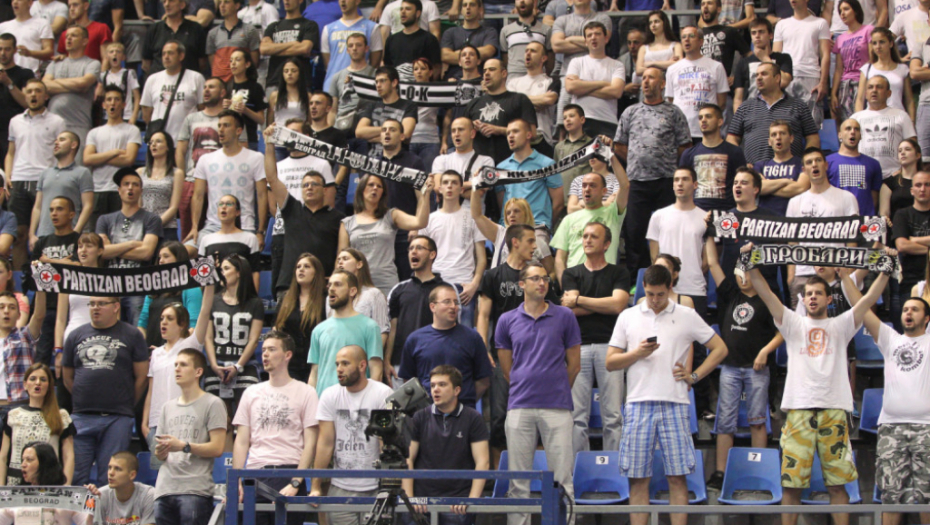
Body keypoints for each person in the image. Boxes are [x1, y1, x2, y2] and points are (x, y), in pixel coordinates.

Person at [745, 254, 889, 525]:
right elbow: (765, 293)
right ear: (803, 299)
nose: (812, 297)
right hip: (798, 412)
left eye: (818, 293)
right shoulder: (792, 323)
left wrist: (885, 272)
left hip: (833, 412)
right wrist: (750, 264)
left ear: (829, 299)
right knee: (791, 486)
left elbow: (869, 299)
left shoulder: (841, 324)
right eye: (808, 294)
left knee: (837, 485)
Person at [606, 264, 728, 525]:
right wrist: (636, 354)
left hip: (675, 403)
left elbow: (720, 348)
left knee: (677, 477)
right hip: (637, 403)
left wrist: (694, 376)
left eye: (660, 294)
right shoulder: (628, 316)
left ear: (670, 288)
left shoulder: (687, 314)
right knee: (638, 478)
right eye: (650, 294)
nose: (654, 300)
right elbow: (610, 362)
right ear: (643, 288)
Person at [496, 262, 580, 525]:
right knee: (518, 481)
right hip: (520, 405)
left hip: (557, 406)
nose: (542, 283)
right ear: (522, 284)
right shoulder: (506, 320)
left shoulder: (565, 316)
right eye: (535, 278)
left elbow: (574, 365)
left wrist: (555, 387)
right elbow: (507, 369)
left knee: (562, 479)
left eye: (545, 278)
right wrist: (527, 385)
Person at [703, 240, 781, 490]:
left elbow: (783, 331)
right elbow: (713, 263)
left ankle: (759, 471)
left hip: (756, 369)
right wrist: (710, 235)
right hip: (730, 367)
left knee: (757, 420)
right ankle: (720, 472)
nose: (743, 278)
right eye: (739, 273)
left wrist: (765, 352)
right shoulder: (730, 294)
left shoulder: (768, 299)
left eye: (747, 272)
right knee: (725, 422)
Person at [476, 223, 557, 462]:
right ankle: (499, 477)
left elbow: (553, 312)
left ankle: (538, 476)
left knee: (539, 419)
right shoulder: (493, 275)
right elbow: (483, 315)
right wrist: (483, 347)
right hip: (503, 355)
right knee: (499, 418)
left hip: (537, 357)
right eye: (530, 241)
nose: (535, 246)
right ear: (515, 242)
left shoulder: (539, 277)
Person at [232, 330, 320, 525]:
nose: (265, 354)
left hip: (289, 470)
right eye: (264, 350)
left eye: (272, 350)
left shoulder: (306, 392)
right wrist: (236, 482)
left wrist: (296, 482)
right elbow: (241, 441)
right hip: (255, 473)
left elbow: (310, 443)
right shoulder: (250, 392)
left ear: (287, 355)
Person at [62, 294, 149, 486]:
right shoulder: (75, 335)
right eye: (92, 304)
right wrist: (82, 396)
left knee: (110, 480)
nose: (95, 308)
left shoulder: (132, 335)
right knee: (75, 477)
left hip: (117, 418)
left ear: (116, 306)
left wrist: (126, 403)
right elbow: (67, 376)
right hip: (81, 416)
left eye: (101, 304)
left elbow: (142, 377)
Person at [858, 295, 930, 525]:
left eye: (915, 309)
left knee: (928, 496)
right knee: (891, 495)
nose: (908, 312)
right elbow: (861, 307)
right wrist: (845, 278)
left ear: (927, 318)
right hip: (891, 427)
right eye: (906, 309)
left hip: (927, 428)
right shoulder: (890, 339)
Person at [561, 222, 630, 456]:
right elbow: (568, 311)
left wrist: (579, 299)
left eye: (594, 236)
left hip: (611, 347)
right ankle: (579, 468)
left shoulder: (619, 272)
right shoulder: (571, 273)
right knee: (577, 416)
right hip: (577, 347)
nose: (588, 240)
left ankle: (615, 468)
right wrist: (603, 304)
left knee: (613, 415)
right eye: (585, 236)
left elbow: (618, 305)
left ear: (607, 244)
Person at [614, 67, 691, 275]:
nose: (646, 81)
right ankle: (636, 278)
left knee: (667, 230)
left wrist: (664, 161)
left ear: (663, 84)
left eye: (651, 78)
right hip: (637, 182)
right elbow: (619, 145)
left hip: (665, 181)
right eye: (644, 78)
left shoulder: (674, 112)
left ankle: (669, 274)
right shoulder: (630, 112)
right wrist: (638, 159)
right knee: (634, 231)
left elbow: (684, 146)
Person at [309, 345, 394, 525]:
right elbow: (325, 443)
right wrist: (315, 486)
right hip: (340, 487)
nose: (339, 369)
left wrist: (386, 485)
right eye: (337, 364)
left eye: (345, 363)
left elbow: (385, 442)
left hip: (375, 487)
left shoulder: (383, 393)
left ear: (362, 365)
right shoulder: (330, 395)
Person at [403, 365, 490, 525]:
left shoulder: (473, 418)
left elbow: (482, 462)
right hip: (422, 500)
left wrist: (471, 500)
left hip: (458, 500)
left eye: (442, 385)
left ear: (457, 390)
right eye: (433, 385)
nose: (435, 390)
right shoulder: (419, 417)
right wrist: (410, 499)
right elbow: (408, 459)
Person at [262, 122, 341, 295]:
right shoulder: (292, 209)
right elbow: (272, 178)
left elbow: (341, 252)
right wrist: (269, 144)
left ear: (324, 189)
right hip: (289, 284)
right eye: (305, 185)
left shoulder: (336, 218)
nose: (309, 188)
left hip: (322, 285)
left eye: (314, 184)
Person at [152, 348, 227, 525]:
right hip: (164, 488)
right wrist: (160, 451)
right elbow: (159, 455)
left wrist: (184, 446)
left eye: (183, 365)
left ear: (198, 372)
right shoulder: (167, 407)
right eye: (176, 365)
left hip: (194, 489)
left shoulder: (213, 403)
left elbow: (217, 448)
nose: (177, 369)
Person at [141, 285, 212, 464]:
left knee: (184, 471)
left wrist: (209, 284)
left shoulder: (190, 345)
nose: (163, 322)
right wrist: (145, 424)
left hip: (184, 420)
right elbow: (151, 390)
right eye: (162, 318)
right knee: (160, 475)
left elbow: (205, 311)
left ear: (182, 325)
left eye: (170, 319)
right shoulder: (156, 353)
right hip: (157, 425)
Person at [785, 148, 861, 309]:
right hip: (803, 272)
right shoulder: (794, 202)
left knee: (839, 320)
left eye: (818, 160)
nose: (814, 165)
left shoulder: (847, 198)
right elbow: (792, 241)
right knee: (801, 323)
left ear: (825, 165)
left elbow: (852, 238)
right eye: (809, 162)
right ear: (804, 170)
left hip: (836, 271)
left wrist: (849, 270)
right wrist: (791, 275)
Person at [204, 254, 263, 451]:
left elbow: (254, 339)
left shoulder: (254, 303)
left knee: (247, 421)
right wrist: (214, 365)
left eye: (226, 268)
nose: (222, 272)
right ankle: (225, 465)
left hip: (244, 367)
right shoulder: (213, 300)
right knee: (222, 422)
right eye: (221, 268)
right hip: (217, 366)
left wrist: (238, 366)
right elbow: (208, 337)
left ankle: (245, 463)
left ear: (239, 273)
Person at [339, 172, 431, 297]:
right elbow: (341, 259)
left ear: (383, 193)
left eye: (379, 186)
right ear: (361, 189)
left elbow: (420, 222)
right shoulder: (347, 223)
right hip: (357, 283)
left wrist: (426, 194)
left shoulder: (391, 215)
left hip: (386, 282)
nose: (375, 188)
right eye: (371, 184)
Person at [187, 110, 266, 255]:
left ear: (238, 131)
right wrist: (194, 227)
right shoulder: (205, 160)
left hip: (244, 226)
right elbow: (198, 196)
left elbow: (262, 196)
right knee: (182, 253)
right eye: (219, 125)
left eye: (226, 125)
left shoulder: (256, 158)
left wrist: (260, 231)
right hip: (212, 226)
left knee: (235, 261)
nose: (221, 129)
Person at [6, 79, 66, 268]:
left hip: (46, 180)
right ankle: (19, 279)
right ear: (25, 95)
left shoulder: (57, 121)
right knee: (19, 234)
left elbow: (61, 152)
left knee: (46, 235)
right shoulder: (15, 121)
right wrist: (8, 175)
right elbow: (11, 152)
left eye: (38, 91)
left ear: (46, 96)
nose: (33, 94)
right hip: (19, 180)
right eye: (30, 91)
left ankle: (46, 278)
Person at [399, 284, 490, 408]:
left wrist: (462, 403)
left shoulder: (472, 338)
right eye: (447, 302)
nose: (453, 306)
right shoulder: (415, 339)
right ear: (433, 306)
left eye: (456, 302)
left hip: (463, 410)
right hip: (427, 412)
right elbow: (408, 381)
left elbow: (483, 381)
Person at [97, 168, 163, 324]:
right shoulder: (104, 220)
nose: (130, 188)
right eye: (126, 184)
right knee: (110, 330)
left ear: (141, 190)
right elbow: (101, 252)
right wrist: (133, 244)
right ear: (119, 190)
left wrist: (113, 248)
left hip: (138, 285)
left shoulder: (152, 219)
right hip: (111, 285)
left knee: (138, 330)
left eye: (135, 184)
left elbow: (146, 253)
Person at [384, 235, 452, 385]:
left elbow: (453, 328)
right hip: (401, 365)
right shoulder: (398, 289)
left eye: (419, 248)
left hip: (437, 365)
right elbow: (392, 329)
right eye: (410, 249)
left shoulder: (447, 289)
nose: (413, 252)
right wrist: (387, 361)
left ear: (432, 254)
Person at [422, 171, 486, 327]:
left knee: (464, 336)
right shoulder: (429, 219)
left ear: (461, 189)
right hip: (436, 283)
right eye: (445, 182)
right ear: (440, 189)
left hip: (464, 286)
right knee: (433, 333)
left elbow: (482, 258)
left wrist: (474, 284)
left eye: (454, 183)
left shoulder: (473, 217)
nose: (449, 186)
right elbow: (423, 257)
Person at [727, 62, 821, 166]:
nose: (758, 78)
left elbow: (813, 138)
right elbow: (732, 139)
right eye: (756, 75)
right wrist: (741, 163)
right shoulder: (745, 107)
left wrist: (805, 162)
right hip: (753, 171)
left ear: (777, 78)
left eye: (764, 74)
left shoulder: (798, 105)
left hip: (791, 170)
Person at [309, 270, 384, 395]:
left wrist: (370, 400)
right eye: (330, 285)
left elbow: (376, 370)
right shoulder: (319, 330)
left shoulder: (369, 326)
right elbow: (314, 373)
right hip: (324, 401)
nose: (331, 289)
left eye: (338, 284)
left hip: (357, 400)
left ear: (352, 291)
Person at [175, 78, 233, 241]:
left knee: (219, 234)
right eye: (205, 87)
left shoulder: (231, 119)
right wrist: (183, 177)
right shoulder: (191, 118)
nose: (206, 90)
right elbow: (180, 150)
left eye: (211, 87)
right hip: (192, 180)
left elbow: (241, 147)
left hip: (220, 182)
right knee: (189, 235)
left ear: (222, 93)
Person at [646, 168, 709, 312]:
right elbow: (654, 257)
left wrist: (692, 274)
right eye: (676, 180)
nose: (680, 183)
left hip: (695, 289)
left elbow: (707, 261)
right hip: (664, 290)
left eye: (685, 179)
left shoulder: (705, 218)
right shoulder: (658, 216)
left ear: (695, 184)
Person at [0, 360, 71, 485]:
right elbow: (3, 456)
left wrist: (66, 486)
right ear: (25, 384)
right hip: (15, 483)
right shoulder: (13, 415)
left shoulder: (61, 416)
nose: (38, 383)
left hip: (49, 484)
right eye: (33, 379)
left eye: (43, 379)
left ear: (49, 385)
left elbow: (68, 456)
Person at [551, 165, 628, 281]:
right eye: (584, 185)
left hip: (604, 282)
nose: (587, 189)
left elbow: (625, 186)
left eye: (592, 186)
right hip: (575, 282)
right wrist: (566, 285)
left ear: (604, 191)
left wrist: (612, 158)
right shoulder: (569, 219)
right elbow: (560, 258)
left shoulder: (613, 213)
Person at [84, 86, 143, 230]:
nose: (112, 103)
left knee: (121, 233)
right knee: (97, 234)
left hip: (120, 191)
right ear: (104, 104)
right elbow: (87, 159)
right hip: (98, 189)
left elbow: (128, 159)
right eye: (109, 99)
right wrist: (114, 152)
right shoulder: (94, 132)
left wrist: (99, 157)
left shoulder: (132, 130)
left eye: (116, 100)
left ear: (123, 104)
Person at [30, 197, 80, 367]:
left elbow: (79, 267)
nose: (54, 214)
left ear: (71, 214)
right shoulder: (42, 242)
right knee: (41, 356)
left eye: (59, 209)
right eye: (51, 210)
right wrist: (63, 262)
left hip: (70, 307)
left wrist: (48, 261)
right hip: (46, 306)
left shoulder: (79, 241)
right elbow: (33, 271)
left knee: (71, 357)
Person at [53, 233, 104, 391]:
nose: (83, 250)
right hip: (71, 341)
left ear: (100, 251)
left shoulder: (108, 279)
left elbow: (115, 316)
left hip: (98, 343)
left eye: (89, 246)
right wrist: (58, 350)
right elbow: (60, 319)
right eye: (80, 246)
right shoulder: (68, 277)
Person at [462, 59, 537, 165]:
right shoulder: (474, 103)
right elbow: (461, 135)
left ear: (504, 73)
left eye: (492, 69)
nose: (487, 73)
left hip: (511, 164)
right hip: (478, 165)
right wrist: (471, 127)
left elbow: (532, 134)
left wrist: (499, 130)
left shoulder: (519, 100)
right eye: (484, 71)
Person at [0, 442, 91, 525]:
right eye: (22, 460)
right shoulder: (15, 496)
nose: (23, 465)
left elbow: (88, 523)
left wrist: (92, 501)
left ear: (44, 464)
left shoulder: (68, 496)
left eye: (29, 460)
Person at [550, 0, 610, 125]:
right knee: (563, 120)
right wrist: (590, 44)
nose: (591, 39)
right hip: (568, 76)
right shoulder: (562, 20)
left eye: (594, 35)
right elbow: (556, 45)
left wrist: (569, 39)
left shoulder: (602, 18)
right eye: (589, 36)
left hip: (596, 73)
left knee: (592, 119)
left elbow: (603, 42)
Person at [772, 0, 832, 126]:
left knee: (812, 124)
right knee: (785, 124)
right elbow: (776, 57)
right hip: (787, 77)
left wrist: (823, 82)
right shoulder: (781, 25)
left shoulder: (820, 23)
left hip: (811, 77)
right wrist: (776, 82)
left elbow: (825, 55)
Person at [495, 119, 560, 234]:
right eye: (508, 133)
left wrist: (546, 225)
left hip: (537, 227)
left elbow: (558, 203)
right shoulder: (501, 167)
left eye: (515, 131)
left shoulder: (547, 164)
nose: (510, 136)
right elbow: (502, 204)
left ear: (528, 135)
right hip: (508, 228)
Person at [29, 132, 93, 248]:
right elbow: (37, 206)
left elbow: (88, 205)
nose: (56, 143)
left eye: (62, 140)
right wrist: (32, 234)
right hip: (44, 235)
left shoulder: (82, 173)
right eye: (56, 140)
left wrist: (76, 232)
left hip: (69, 234)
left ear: (73, 145)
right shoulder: (45, 173)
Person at [679, 104, 748, 212]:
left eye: (708, 116)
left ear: (720, 122)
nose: (703, 120)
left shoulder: (735, 152)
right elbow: (682, 186)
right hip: (696, 212)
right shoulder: (688, 154)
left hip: (727, 213)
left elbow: (742, 184)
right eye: (700, 117)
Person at [43, 25, 101, 154]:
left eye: (74, 36)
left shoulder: (92, 64)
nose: (68, 38)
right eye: (67, 36)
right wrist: (73, 85)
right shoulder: (55, 63)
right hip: (52, 125)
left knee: (77, 164)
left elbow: (83, 84)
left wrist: (55, 82)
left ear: (85, 41)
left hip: (78, 124)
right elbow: (45, 86)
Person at [665, 27, 728, 143]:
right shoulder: (672, 69)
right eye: (683, 37)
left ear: (700, 41)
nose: (686, 40)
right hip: (681, 131)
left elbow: (722, 102)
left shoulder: (716, 67)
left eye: (691, 36)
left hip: (707, 131)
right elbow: (671, 100)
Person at [564, 22, 624, 140]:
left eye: (597, 34)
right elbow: (571, 87)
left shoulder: (617, 65)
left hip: (607, 121)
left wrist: (582, 86)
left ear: (606, 39)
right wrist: (603, 83)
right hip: (581, 121)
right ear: (585, 42)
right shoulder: (576, 62)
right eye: (589, 35)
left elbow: (616, 92)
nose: (593, 37)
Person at [138, 243, 204, 349]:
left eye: (166, 256)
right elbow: (142, 322)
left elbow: (194, 327)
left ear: (179, 259)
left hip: (178, 351)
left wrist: (168, 350)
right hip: (152, 351)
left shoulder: (191, 288)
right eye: (160, 257)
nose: (161, 261)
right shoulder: (154, 288)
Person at [851, 76, 918, 178]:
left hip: (895, 175)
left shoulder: (901, 115)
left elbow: (912, 146)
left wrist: (903, 171)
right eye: (870, 87)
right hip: (863, 177)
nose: (874, 90)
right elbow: (847, 148)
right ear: (865, 93)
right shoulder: (855, 118)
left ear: (889, 93)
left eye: (879, 87)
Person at [275, 254, 326, 383]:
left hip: (317, 363)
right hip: (290, 364)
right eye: (298, 267)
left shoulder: (325, 300)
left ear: (316, 273)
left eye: (307, 266)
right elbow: (277, 329)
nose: (301, 269)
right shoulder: (286, 299)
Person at [140, 41, 207, 139]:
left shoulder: (196, 78)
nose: (166, 57)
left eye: (170, 53)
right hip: (161, 140)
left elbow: (203, 108)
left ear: (181, 56)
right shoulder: (152, 79)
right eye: (163, 54)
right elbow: (146, 112)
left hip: (188, 138)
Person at [331, 249, 391, 348]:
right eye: (338, 260)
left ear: (359, 264)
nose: (340, 262)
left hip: (363, 352)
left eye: (345, 259)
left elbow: (382, 331)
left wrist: (373, 355)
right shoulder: (332, 295)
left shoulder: (374, 294)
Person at [732, 17, 793, 113]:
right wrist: (738, 118)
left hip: (778, 111)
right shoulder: (743, 63)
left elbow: (784, 81)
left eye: (761, 32)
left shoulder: (783, 58)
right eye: (753, 33)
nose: (757, 36)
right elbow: (738, 99)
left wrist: (765, 58)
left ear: (770, 35)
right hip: (752, 113)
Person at [893, 171, 930, 326]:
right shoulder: (902, 214)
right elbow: (902, 245)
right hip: (910, 282)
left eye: (927, 185)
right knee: (912, 332)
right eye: (918, 185)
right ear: (912, 190)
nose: (922, 189)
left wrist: (915, 240)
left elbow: (908, 243)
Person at [355, 66, 417, 157]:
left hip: (398, 160)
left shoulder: (409, 105)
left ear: (394, 82)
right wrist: (392, 131)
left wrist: (371, 137)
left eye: (382, 81)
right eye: (376, 82)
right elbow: (359, 132)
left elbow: (405, 134)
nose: (378, 85)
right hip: (373, 159)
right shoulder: (372, 106)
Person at [855, 27, 914, 120]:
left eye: (882, 42)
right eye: (874, 43)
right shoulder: (867, 69)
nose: (878, 46)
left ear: (891, 43)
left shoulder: (903, 69)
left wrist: (911, 122)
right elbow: (860, 99)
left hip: (897, 118)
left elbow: (909, 100)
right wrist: (858, 121)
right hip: (872, 118)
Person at [827, 119, 884, 215]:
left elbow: (874, 198)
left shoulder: (873, 164)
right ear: (840, 135)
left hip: (864, 219)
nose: (852, 132)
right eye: (848, 129)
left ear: (860, 136)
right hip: (836, 219)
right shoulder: (827, 162)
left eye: (856, 129)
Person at [320, 0, 379, 92]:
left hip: (361, 86)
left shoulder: (372, 27)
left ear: (357, 1)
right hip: (332, 86)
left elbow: (375, 62)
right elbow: (327, 62)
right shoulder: (328, 29)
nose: (343, 1)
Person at [755, 120, 810, 217]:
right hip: (765, 220)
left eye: (782, 133)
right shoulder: (760, 166)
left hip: (793, 219)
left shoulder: (802, 163)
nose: (778, 138)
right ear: (769, 141)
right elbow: (758, 188)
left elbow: (801, 188)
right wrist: (786, 181)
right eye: (774, 135)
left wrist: (769, 187)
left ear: (791, 138)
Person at [432, 117, 495, 201]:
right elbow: (438, 188)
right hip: (446, 209)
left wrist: (449, 189)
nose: (456, 134)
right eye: (453, 131)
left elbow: (479, 193)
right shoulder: (441, 160)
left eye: (461, 130)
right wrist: (472, 184)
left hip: (471, 209)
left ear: (472, 134)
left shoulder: (486, 161)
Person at [198, 194, 261, 278]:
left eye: (229, 204)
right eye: (221, 204)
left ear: (237, 212)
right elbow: (201, 275)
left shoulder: (250, 238)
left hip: (241, 286)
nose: (224, 207)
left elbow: (254, 272)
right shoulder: (206, 240)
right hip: (214, 286)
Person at [137, 131, 184, 243]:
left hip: (167, 228)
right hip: (143, 227)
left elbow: (174, 207)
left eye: (158, 141)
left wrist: (155, 225)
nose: (153, 144)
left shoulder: (177, 173)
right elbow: (138, 204)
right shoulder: (139, 172)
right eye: (151, 142)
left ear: (168, 147)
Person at [84, 452, 155, 525]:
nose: (111, 473)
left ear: (132, 475)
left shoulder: (148, 495)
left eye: (117, 469)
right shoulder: (101, 495)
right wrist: (92, 507)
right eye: (109, 468)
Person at [329, 33, 377, 140]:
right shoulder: (337, 76)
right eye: (351, 46)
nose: (354, 48)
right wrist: (330, 133)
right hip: (341, 127)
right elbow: (333, 110)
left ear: (366, 48)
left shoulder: (376, 74)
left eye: (358, 45)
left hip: (365, 127)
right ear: (347, 50)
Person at [831, 0, 872, 125]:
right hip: (845, 86)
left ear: (856, 10)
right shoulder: (840, 38)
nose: (842, 13)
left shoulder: (868, 30)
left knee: (864, 122)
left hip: (864, 82)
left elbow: (873, 59)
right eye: (840, 11)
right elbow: (838, 69)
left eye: (846, 9)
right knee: (849, 124)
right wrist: (834, 93)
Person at [264, 0, 318, 90]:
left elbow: (304, 48)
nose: (286, 0)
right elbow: (264, 49)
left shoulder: (309, 25)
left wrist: (274, 50)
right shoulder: (273, 26)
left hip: (301, 82)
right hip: (275, 80)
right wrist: (293, 44)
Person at [141, 0, 207, 74]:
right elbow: (146, 64)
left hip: (188, 78)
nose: (167, 4)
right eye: (164, 2)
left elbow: (202, 63)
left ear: (182, 4)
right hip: (160, 79)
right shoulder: (154, 29)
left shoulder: (196, 29)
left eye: (171, 1)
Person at [440, 0, 496, 81]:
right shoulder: (450, 32)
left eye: (472, 5)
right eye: (464, 5)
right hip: (453, 78)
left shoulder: (489, 32)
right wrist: (473, 55)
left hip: (480, 79)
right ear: (461, 10)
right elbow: (445, 56)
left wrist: (458, 54)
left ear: (479, 9)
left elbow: (488, 52)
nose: (468, 8)